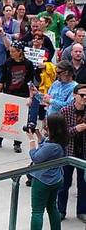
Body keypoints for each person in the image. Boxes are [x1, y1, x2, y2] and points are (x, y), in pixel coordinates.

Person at [0, 41, 34, 153]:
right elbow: (3, 79)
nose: (11, 53)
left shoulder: (28, 64)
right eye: (10, 51)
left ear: (20, 52)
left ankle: (17, 143)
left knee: (19, 119)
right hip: (8, 93)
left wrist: (30, 97)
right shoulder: (8, 63)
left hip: (22, 94)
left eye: (13, 51)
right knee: (2, 117)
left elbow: (30, 82)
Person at [28, 113, 68, 229]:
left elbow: (36, 157)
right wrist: (38, 134)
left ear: (52, 128)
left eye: (46, 124)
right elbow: (45, 143)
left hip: (43, 180)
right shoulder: (59, 141)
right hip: (56, 179)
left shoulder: (52, 147)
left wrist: (31, 140)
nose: (44, 125)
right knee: (52, 207)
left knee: (37, 211)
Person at [58, 83, 86, 223]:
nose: (84, 98)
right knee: (64, 184)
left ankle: (82, 211)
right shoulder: (65, 111)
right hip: (68, 154)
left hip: (84, 154)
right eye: (82, 95)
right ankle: (60, 210)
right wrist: (76, 129)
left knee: (84, 184)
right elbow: (60, 133)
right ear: (75, 95)